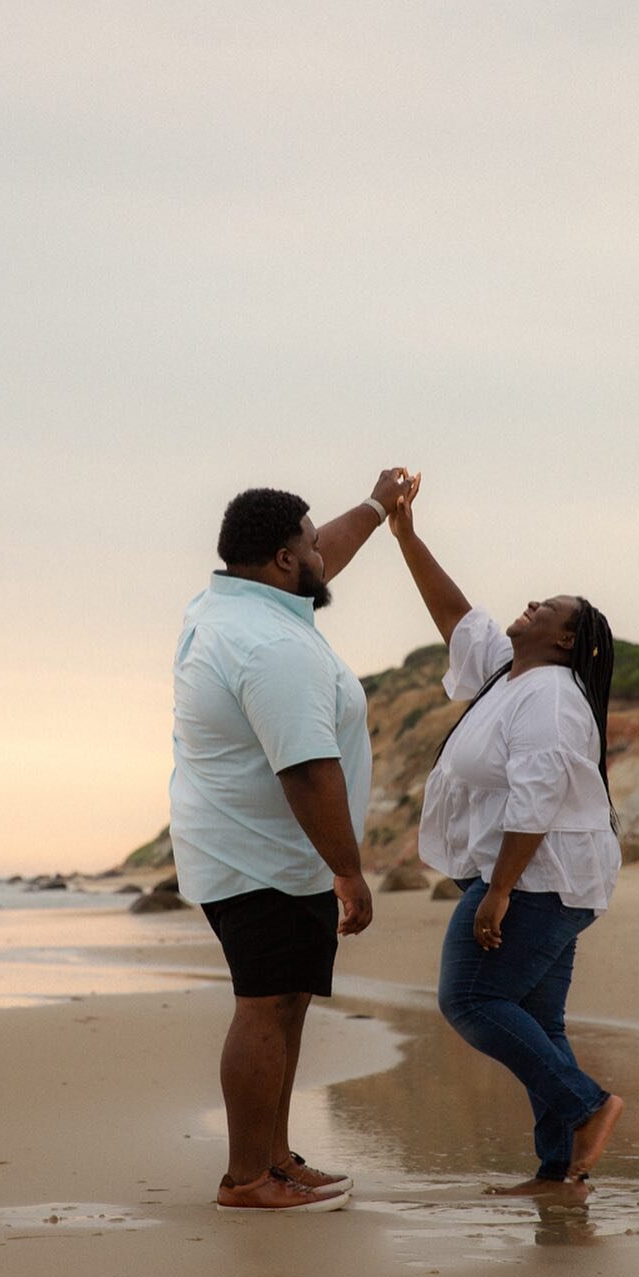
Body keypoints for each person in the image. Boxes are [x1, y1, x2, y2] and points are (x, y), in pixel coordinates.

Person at [170, 471, 409, 1212]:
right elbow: (307, 772)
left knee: (288, 1001)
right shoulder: (269, 645)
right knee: (265, 1006)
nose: (320, 554)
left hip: (253, 850)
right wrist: (350, 871)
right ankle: (245, 1179)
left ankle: (272, 1157)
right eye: (307, 544)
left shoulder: (233, 603)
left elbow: (326, 552)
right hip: (260, 856)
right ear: (280, 560)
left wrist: (376, 507)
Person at [389, 474, 623, 1199]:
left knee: (471, 1002)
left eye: (549, 607)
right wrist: (403, 532)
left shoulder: (550, 696)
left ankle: (588, 1107)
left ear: (566, 638)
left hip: (535, 879)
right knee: (535, 1020)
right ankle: (559, 1171)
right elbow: (456, 614)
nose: (531, 604)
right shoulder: (506, 674)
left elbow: (536, 798)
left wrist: (496, 892)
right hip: (544, 878)